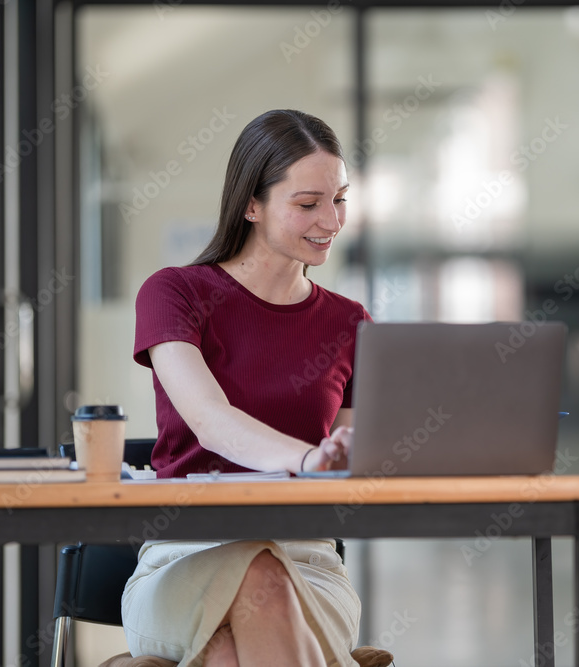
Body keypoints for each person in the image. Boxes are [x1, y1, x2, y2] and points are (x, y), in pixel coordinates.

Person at [118, 110, 389, 667]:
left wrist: (345, 459)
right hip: (181, 558)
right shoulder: (175, 294)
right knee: (254, 574)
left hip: (307, 564)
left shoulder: (350, 322)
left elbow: (347, 461)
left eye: (339, 199)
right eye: (308, 203)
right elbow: (211, 422)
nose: (332, 221)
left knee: (225, 653)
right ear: (251, 205)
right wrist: (309, 460)